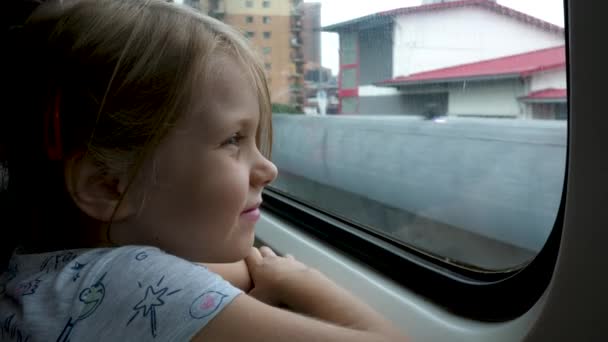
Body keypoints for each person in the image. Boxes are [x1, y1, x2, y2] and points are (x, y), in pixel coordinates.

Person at [0, 0, 408, 341]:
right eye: (233, 139)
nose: (268, 168)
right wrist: (299, 279)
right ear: (107, 185)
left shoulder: (41, 267)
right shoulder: (134, 285)